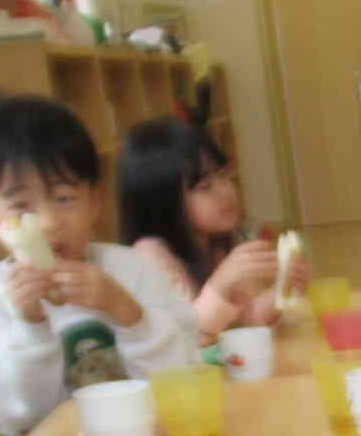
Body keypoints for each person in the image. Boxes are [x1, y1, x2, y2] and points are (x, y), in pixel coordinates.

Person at [0, 90, 196, 436]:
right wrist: (29, 327)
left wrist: (127, 311)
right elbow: (12, 419)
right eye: (21, 207)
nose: (49, 222)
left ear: (94, 201)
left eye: (65, 198)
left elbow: (186, 374)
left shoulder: (132, 270)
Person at [117, 116, 306, 344]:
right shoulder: (150, 258)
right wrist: (221, 286)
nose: (225, 191)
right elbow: (184, 341)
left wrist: (280, 292)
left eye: (225, 176)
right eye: (205, 187)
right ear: (161, 201)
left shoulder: (219, 242)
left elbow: (241, 324)